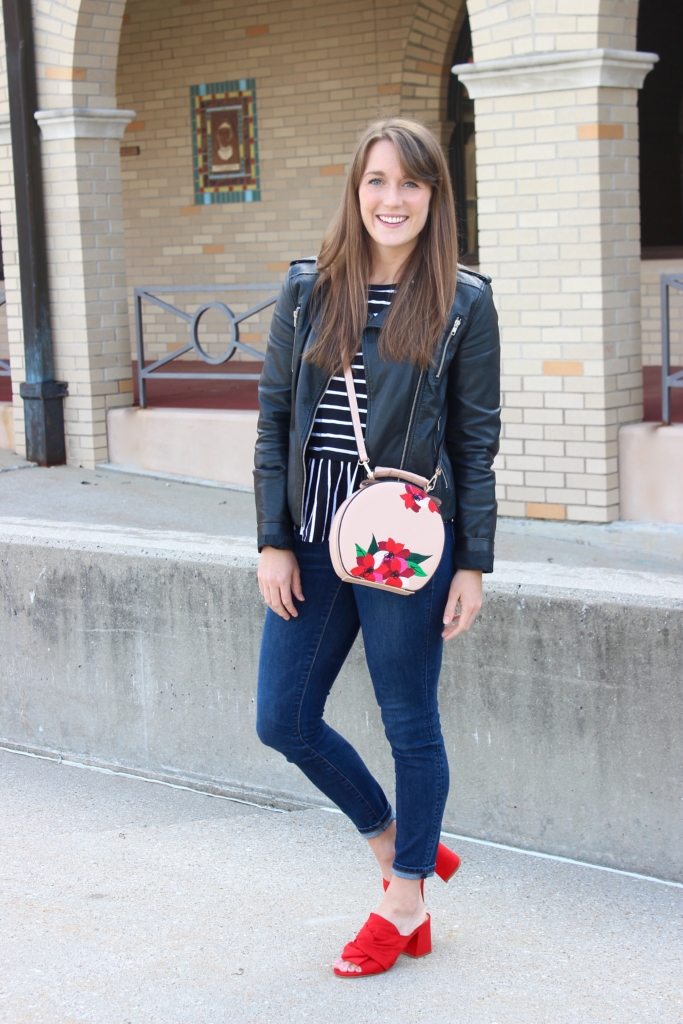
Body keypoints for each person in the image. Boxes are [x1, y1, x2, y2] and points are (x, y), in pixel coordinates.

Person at [254, 118, 500, 978]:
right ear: (355, 191)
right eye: (376, 182)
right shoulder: (305, 289)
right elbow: (274, 425)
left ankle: (402, 903)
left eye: (411, 184)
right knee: (280, 717)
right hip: (314, 539)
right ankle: (403, 846)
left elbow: (474, 443)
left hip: (402, 544)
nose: (391, 200)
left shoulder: (463, 302)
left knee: (408, 723)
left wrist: (474, 560)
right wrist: (271, 542)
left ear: (434, 197)